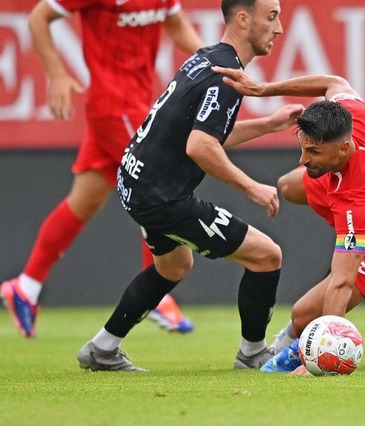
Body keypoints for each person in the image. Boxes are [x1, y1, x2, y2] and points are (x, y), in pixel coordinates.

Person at [76, 0, 304, 371]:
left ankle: (102, 349)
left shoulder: (207, 58)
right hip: (161, 196)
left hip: (135, 181)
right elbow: (200, 147)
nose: (279, 29)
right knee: (267, 256)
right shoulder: (227, 74)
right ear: (243, 19)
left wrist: (269, 124)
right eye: (272, 17)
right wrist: (252, 187)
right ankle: (252, 353)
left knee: (173, 265)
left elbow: (204, 134)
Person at [1, 0, 204, 338]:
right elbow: (39, 17)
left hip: (138, 103)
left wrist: (213, 61)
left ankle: (27, 284)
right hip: (113, 107)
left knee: (85, 200)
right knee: (155, 180)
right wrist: (56, 74)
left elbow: (176, 23)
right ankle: (156, 291)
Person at [212, 66, 365, 374]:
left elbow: (341, 283)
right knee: (288, 185)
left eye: (313, 151)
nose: (303, 159)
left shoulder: (357, 202)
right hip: (361, 192)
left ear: (343, 148)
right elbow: (333, 82)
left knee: (304, 316)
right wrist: (263, 89)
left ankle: (281, 353)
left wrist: (318, 357)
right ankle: (290, 349)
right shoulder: (353, 113)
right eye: (303, 147)